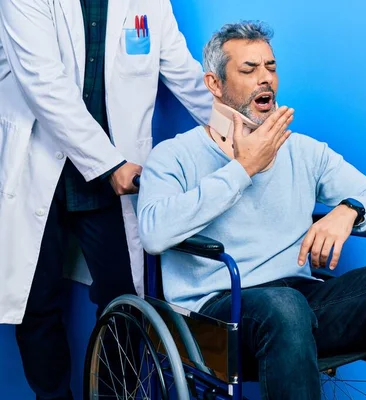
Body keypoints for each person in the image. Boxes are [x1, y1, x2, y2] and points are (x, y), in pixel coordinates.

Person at [137, 21, 366, 399]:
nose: (264, 79)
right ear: (215, 84)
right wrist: (243, 169)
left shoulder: (302, 150)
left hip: (299, 300)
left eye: (270, 67)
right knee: (284, 305)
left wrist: (349, 210)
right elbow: (154, 232)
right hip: (215, 313)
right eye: (249, 70)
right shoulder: (174, 155)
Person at [0, 0, 213, 398]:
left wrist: (243, 130)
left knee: (124, 299)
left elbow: (186, 76)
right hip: (40, 161)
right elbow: (42, 83)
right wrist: (109, 163)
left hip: (111, 174)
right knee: (36, 301)